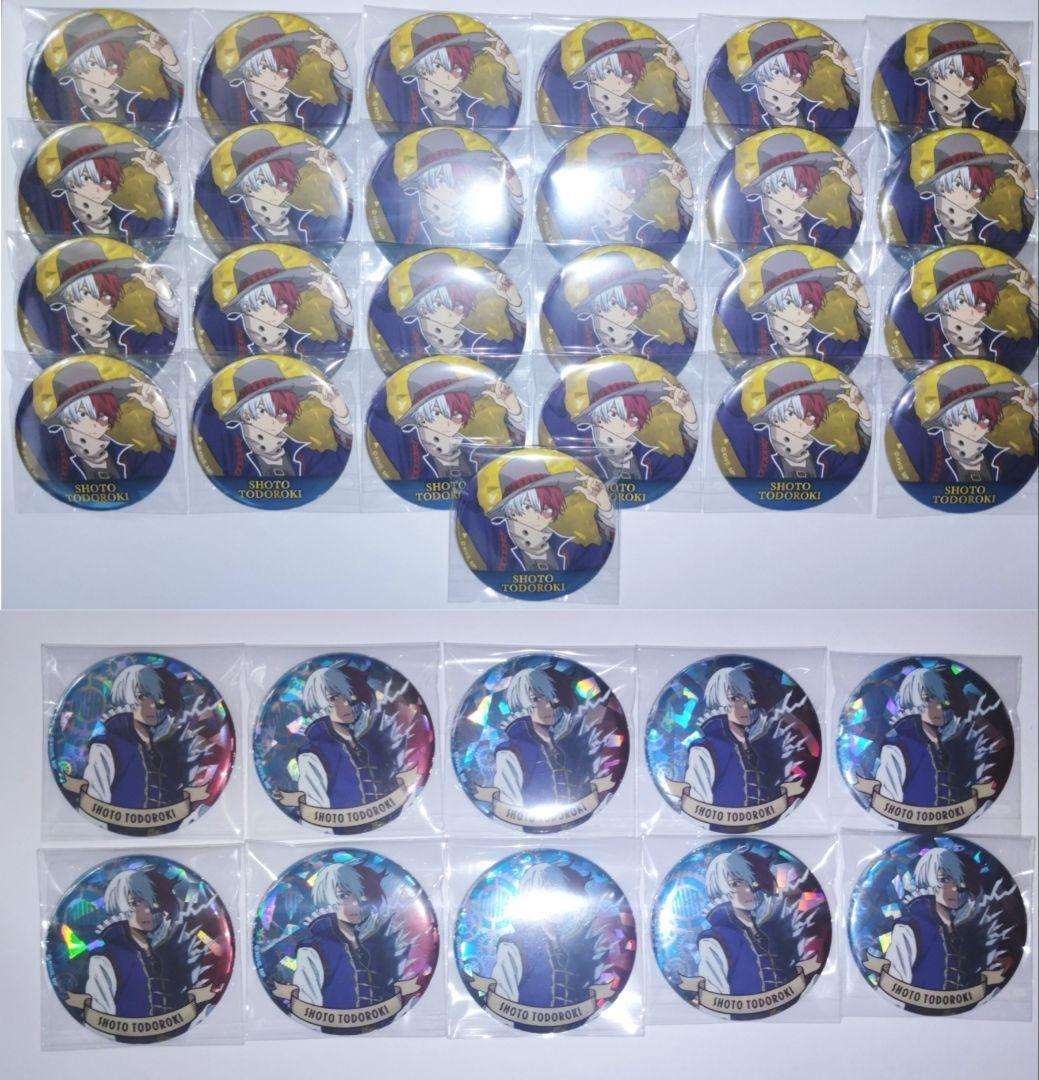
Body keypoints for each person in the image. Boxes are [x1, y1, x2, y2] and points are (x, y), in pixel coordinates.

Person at [196, 357, 351, 480]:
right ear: (246, 415)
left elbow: (337, 464)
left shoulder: (301, 454)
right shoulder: (230, 447)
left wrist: (341, 415)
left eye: (284, 410)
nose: (280, 417)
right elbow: (205, 419)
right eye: (268, 410)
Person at [368, 360, 523, 482]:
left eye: (458, 411)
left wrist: (515, 413)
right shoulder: (405, 452)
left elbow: (512, 459)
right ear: (420, 417)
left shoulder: (476, 453)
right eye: (440, 411)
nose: (455, 419)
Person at [716, 359, 871, 481]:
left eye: (812, 412)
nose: (809, 419)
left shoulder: (824, 456)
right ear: (774, 416)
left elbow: (859, 464)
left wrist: (864, 417)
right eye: (796, 412)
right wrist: (743, 384)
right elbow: (730, 416)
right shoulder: (755, 447)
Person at [23, 239, 178, 358]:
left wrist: (165, 296)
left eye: (106, 294)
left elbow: (164, 345)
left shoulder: (125, 337)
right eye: (87, 292)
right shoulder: (55, 329)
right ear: (69, 296)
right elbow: (29, 300)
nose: (101, 302)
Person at [22, 125, 175, 244]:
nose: (105, 185)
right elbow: (30, 187)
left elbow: (163, 231)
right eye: (92, 177)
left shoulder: (125, 220)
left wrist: (164, 179)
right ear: (71, 182)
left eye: (108, 178)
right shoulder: (53, 212)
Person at [890, 362, 1038, 485]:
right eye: (970, 416)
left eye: (986, 416)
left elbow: (1030, 461)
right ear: (948, 420)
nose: (983, 424)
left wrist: (1036, 415)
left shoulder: (1003, 459)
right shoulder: (927, 456)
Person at [463, 456, 616, 574]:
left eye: (547, 506)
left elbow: (604, 557)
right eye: (529, 506)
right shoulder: (494, 542)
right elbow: (468, 508)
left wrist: (605, 508)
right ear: (510, 510)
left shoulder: (567, 549)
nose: (541, 514)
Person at [200, 127, 349, 248]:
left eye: (284, 180)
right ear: (248, 186)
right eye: (267, 181)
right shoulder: (232, 218)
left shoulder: (304, 221)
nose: (280, 188)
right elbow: (204, 193)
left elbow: (340, 223)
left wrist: (338, 175)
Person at [541, 21, 691, 139]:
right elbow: (553, 75)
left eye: (629, 71)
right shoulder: (572, 103)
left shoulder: (646, 115)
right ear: (592, 74)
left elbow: (678, 126)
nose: (624, 79)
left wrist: (683, 78)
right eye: (611, 70)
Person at [557, 359, 698, 484]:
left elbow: (686, 470)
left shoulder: (648, 458)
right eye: (615, 413)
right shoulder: (580, 451)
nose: (629, 422)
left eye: (634, 415)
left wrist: (690, 420)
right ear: (598, 418)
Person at [201, 16, 351, 133]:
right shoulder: (233, 99)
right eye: (266, 66)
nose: (278, 75)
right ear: (248, 71)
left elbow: (338, 115)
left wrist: (340, 67)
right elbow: (209, 78)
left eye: (283, 66)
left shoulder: (301, 108)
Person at [546, 251, 697, 366]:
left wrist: (690, 308)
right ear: (597, 305)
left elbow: (683, 354)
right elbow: (552, 309)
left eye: (633, 304)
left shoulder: (647, 344)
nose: (625, 312)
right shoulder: (576, 332)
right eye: (614, 302)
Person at [197, 247, 352, 359]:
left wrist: (341, 304)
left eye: (284, 301)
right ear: (247, 305)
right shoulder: (226, 334)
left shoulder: (300, 343)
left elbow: (340, 349)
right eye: (266, 301)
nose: (280, 309)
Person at [37, 359, 175, 485]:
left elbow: (165, 464)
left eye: (103, 414)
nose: (98, 422)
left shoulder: (125, 457)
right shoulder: (54, 456)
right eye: (85, 414)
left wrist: (164, 416)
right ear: (67, 419)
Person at [372, 14, 521, 130]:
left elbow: (508, 118)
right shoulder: (404, 98)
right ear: (422, 69)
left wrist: (512, 70)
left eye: (458, 65)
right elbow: (382, 73)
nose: (455, 73)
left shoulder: (473, 108)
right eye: (442, 65)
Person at [370, 250, 524, 361]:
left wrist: (515, 303)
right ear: (423, 308)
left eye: (460, 304)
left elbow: (516, 351)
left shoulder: (475, 343)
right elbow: (377, 306)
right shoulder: (403, 333)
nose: (455, 312)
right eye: (441, 303)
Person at [291, 863, 399, 1020]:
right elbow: (307, 1007)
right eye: (343, 896)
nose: (355, 903)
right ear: (326, 900)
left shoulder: (368, 945)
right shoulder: (312, 949)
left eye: (358, 895)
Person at [34, 11, 183, 125]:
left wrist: (170, 62)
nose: (109, 71)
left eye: (113, 63)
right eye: (95, 63)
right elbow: (38, 77)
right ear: (77, 68)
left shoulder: (132, 103)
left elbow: (171, 111)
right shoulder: (61, 96)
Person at [490, 863, 603, 1012]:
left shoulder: (569, 949)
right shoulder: (513, 946)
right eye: (551, 891)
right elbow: (501, 1003)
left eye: (561, 892)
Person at [721, 247, 869, 362]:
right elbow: (728, 313)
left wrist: (863, 305)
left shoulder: (826, 344)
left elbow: (859, 348)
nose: (803, 310)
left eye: (808, 302)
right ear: (771, 305)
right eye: (790, 301)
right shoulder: (751, 336)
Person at [897, 248, 1038, 367]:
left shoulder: (1000, 343)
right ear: (945, 305)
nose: (981, 307)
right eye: (969, 300)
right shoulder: (926, 337)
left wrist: (1035, 300)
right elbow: (901, 313)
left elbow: (1029, 345)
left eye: (983, 300)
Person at [711, 21, 859, 134]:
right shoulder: (745, 105)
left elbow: (851, 122)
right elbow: (716, 76)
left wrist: (851, 72)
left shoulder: (813, 113)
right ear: (760, 74)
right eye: (778, 71)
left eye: (796, 72)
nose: (790, 80)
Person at [879, 22, 1027, 135]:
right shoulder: (914, 101)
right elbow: (891, 67)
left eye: (971, 73)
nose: (968, 80)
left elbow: (1013, 132)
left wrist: (1021, 84)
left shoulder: (980, 118)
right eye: (958, 71)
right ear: (935, 72)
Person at [388, 128, 523, 248]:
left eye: (460, 183)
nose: (456, 192)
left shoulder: (480, 229)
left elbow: (511, 226)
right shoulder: (405, 232)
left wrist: (515, 193)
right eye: (443, 180)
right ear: (424, 185)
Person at [85, 868, 191, 1020]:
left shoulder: (164, 952)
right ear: (119, 906)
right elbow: (99, 1016)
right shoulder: (105, 959)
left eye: (149, 901)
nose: (147, 910)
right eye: (135, 903)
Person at [731, 131, 862, 250]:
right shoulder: (747, 225)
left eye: (802, 187)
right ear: (767, 187)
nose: (794, 195)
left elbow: (856, 234)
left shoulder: (819, 229)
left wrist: (857, 192)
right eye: (784, 184)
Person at [696, 849, 799, 997]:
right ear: (720, 888)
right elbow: (715, 995)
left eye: (750, 881)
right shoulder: (714, 939)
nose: (748, 890)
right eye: (735, 884)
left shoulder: (769, 931)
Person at [682, 666, 788, 811]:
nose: (745, 705)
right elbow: (697, 805)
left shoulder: (757, 746)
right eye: (735, 698)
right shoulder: (704, 749)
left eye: (747, 698)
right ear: (719, 700)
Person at [293, 665, 394, 816]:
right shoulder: (312, 754)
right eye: (333, 698)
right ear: (319, 704)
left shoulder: (361, 744)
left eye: (346, 695)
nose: (345, 703)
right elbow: (315, 811)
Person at [882, 848, 982, 996]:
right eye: (944, 880)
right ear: (927, 880)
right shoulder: (909, 927)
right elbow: (895, 984)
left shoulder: (960, 930)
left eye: (958, 880)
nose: (954, 888)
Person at [908, 132, 1036, 249]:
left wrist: (1029, 193)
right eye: (960, 183)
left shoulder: (990, 231)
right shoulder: (921, 227)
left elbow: (1022, 239)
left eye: (976, 185)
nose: (973, 192)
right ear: (941, 187)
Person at [873, 667, 976, 809]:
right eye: (927, 699)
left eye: (940, 698)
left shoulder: (952, 744)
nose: (938, 706)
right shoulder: (897, 746)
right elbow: (887, 801)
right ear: (911, 701)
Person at [492, 666, 591, 812]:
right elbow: (508, 806)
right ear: (521, 702)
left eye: (550, 697)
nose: (548, 704)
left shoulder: (563, 746)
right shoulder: (510, 752)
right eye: (536, 699)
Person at [572, 131, 694, 248]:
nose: (627, 196)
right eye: (620, 183)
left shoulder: (645, 231)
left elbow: (680, 242)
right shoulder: (578, 230)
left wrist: (687, 196)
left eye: (633, 188)